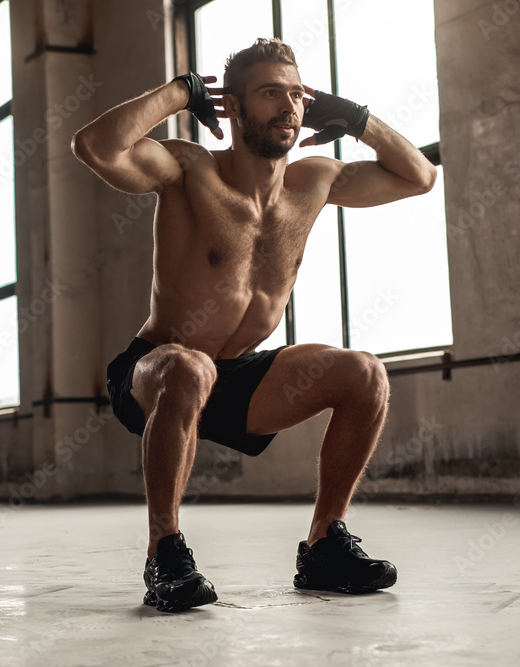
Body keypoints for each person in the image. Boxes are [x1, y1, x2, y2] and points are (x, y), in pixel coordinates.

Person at [71, 38, 437, 612]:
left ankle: (324, 545)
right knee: (188, 366)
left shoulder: (316, 180)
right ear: (233, 108)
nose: (289, 107)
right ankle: (163, 552)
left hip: (236, 377)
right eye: (271, 94)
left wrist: (359, 120)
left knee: (365, 374)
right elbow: (94, 145)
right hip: (157, 370)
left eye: (297, 95)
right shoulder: (190, 169)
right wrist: (179, 94)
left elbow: (419, 176)